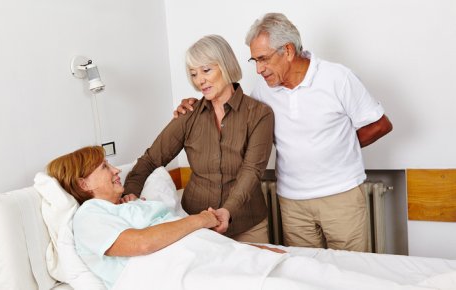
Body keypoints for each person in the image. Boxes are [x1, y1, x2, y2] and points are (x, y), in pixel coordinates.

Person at [174, 13, 393, 252]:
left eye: (263, 59)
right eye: (254, 61)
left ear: (287, 51)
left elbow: (380, 124)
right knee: (303, 274)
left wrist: (341, 147)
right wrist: (194, 105)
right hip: (292, 202)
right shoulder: (263, 91)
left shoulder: (337, 78)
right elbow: (231, 110)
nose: (258, 69)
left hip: (341, 196)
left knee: (352, 271)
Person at [46, 146, 285, 290]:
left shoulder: (126, 208)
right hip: (177, 274)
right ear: (84, 183)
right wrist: (202, 219)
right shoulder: (89, 215)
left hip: (212, 257)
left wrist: (252, 250)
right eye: (105, 167)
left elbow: (184, 238)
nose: (117, 170)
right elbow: (143, 244)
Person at [123, 35, 275, 243]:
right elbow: (151, 159)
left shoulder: (259, 114)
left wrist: (226, 211)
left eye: (206, 70)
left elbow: (251, 171)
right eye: (193, 74)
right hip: (196, 225)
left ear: (225, 65)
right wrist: (130, 193)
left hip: (247, 224)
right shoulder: (188, 115)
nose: (199, 80)